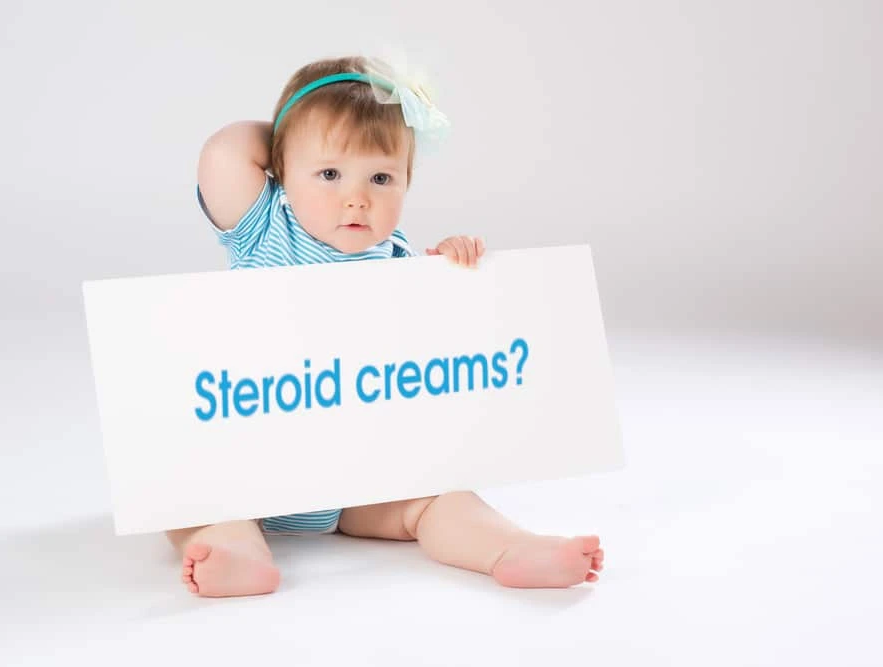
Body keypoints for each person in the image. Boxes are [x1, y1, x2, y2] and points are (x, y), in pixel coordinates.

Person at [168, 55, 604, 597]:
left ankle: (508, 547)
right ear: (281, 171)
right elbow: (223, 152)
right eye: (328, 173)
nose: (357, 196)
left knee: (436, 497)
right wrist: (299, 128)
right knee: (185, 498)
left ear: (407, 182)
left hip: (357, 484)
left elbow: (441, 353)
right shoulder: (264, 227)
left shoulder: (400, 264)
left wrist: (450, 272)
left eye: (381, 176)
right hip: (254, 470)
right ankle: (238, 552)